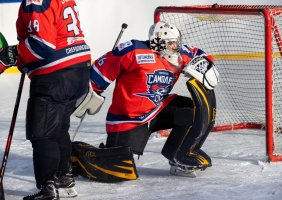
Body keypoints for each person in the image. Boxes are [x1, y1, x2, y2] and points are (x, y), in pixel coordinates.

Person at [90, 21, 219, 177]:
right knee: (118, 169)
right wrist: (92, 91)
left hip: (157, 107)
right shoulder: (134, 51)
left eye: (176, 42)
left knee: (190, 111)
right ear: (159, 43)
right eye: (172, 43)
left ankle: (179, 157)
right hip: (129, 118)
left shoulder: (180, 55)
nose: (176, 47)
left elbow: (201, 55)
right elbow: (100, 69)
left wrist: (202, 65)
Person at [0, 0, 91, 199]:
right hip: (79, 70)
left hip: (56, 73)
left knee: (42, 133)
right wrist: (24, 57)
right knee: (57, 128)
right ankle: (63, 178)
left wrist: (15, 53)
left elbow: (43, 44)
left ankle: (47, 188)